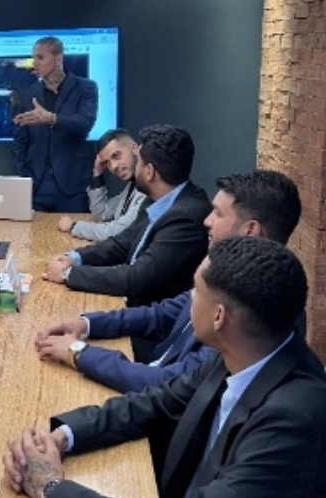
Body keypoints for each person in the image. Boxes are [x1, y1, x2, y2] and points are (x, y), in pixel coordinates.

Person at [4, 236, 326, 498]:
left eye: (196, 291)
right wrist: (63, 437)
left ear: (219, 317)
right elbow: (157, 401)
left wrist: (52, 488)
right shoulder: (247, 350)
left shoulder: (293, 422)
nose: (189, 298)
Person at [36, 170, 302, 394]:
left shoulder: (256, 307)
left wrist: (79, 353)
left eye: (218, 214)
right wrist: (86, 324)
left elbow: (169, 383)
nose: (207, 221)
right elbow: (163, 314)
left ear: (250, 230)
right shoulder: (230, 271)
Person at [44, 124, 210, 360]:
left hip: (150, 330)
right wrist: (75, 257)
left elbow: (137, 278)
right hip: (131, 310)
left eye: (139, 161)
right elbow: (123, 242)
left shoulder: (187, 216)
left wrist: (68, 275)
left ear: (149, 171)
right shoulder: (158, 199)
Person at [12, 36, 98, 213]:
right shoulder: (28, 94)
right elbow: (20, 141)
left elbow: (85, 123)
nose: (34, 63)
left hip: (72, 186)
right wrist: (23, 177)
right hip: (37, 186)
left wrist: (52, 118)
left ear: (58, 58)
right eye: (33, 58)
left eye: (40, 57)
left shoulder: (85, 88)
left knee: (73, 231)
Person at [57, 128, 147, 242]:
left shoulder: (149, 187)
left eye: (116, 156)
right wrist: (97, 173)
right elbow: (101, 214)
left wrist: (73, 226)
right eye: (107, 162)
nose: (113, 166)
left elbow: (118, 232)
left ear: (134, 148)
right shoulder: (132, 186)